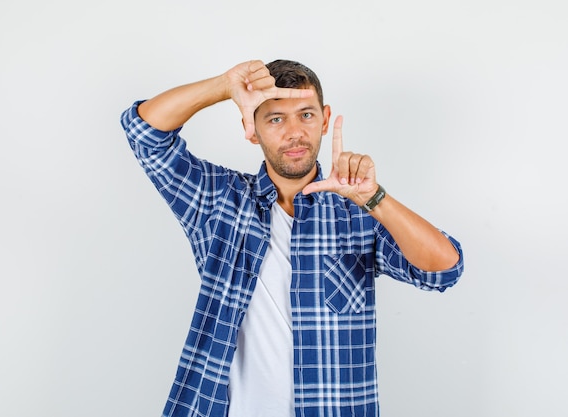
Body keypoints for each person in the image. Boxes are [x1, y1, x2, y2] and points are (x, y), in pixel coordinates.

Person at [120, 59, 464, 417]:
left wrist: (375, 199)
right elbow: (143, 132)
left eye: (306, 114)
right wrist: (224, 86)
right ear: (250, 128)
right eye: (275, 118)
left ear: (325, 119)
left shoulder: (358, 215)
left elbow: (444, 269)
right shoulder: (219, 201)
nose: (294, 132)